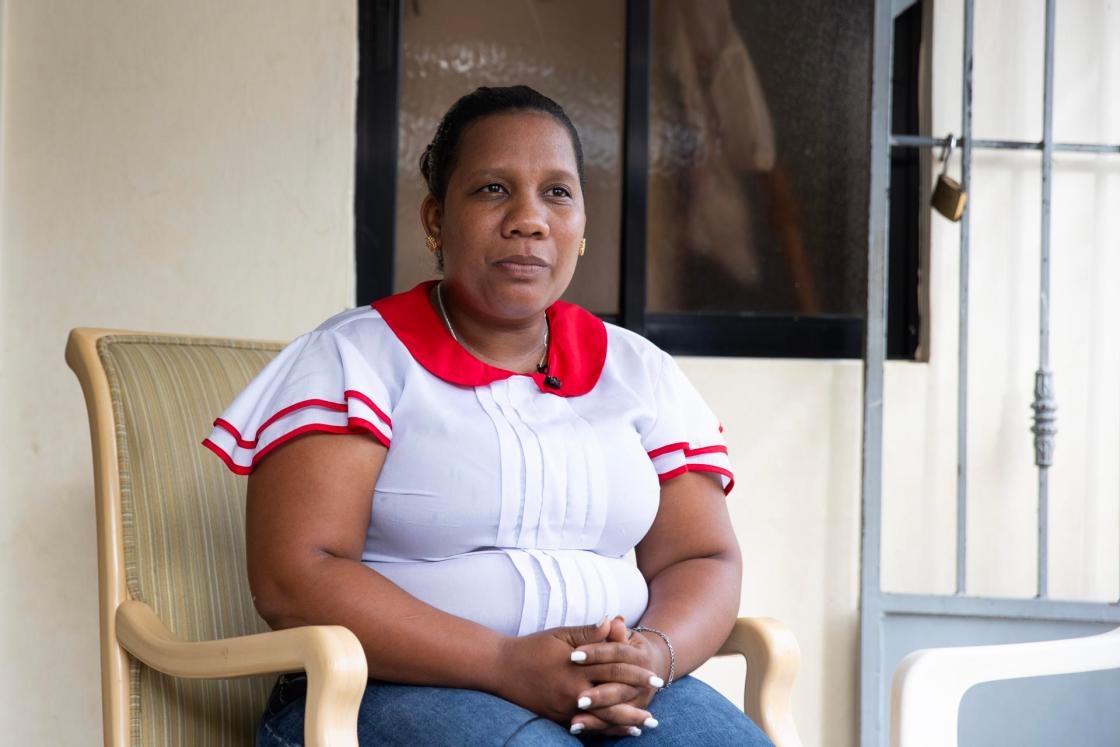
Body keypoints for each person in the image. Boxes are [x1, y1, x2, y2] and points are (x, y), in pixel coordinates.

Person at [203, 85, 773, 746]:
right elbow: (295, 576)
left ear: (582, 227)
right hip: (388, 689)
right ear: (436, 219)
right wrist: (502, 663)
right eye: (493, 189)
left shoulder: (637, 371)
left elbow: (701, 554)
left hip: (614, 688)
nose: (529, 218)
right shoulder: (357, 358)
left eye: (558, 193)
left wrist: (651, 654)